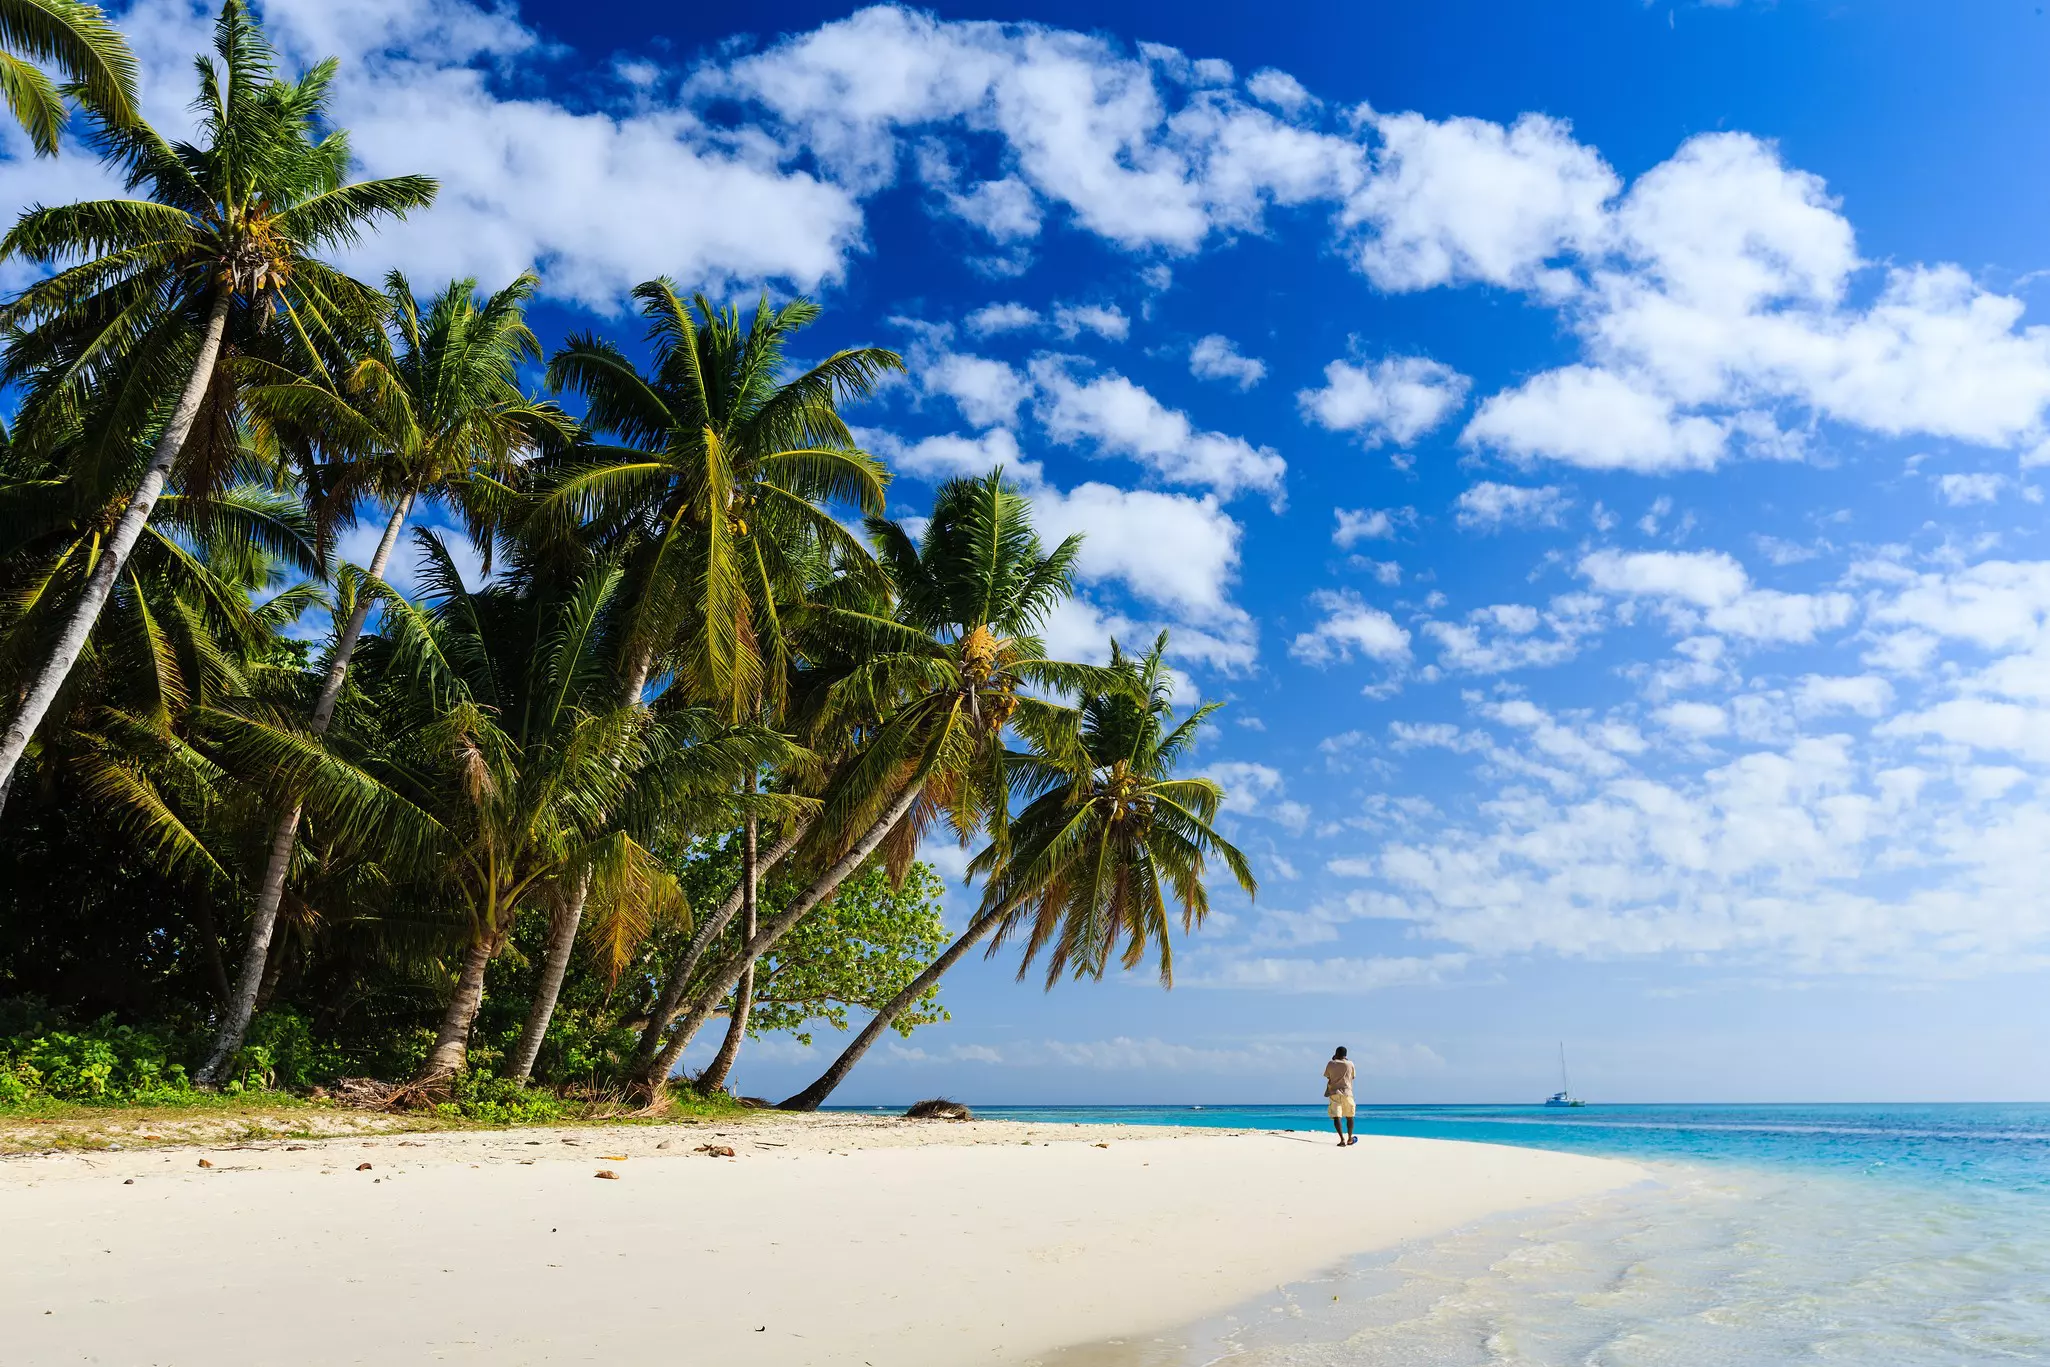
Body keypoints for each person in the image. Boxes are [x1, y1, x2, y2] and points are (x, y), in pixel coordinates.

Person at [1323, 1046, 1357, 1147]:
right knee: (1350, 1116)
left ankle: (1342, 1139)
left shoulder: (1331, 1063)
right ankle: (1350, 1138)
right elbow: (1353, 1077)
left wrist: (1334, 1060)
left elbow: (1328, 1076)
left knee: (1337, 1116)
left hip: (1334, 1092)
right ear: (1345, 1055)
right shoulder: (1350, 1064)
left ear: (1336, 1053)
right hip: (1347, 1092)